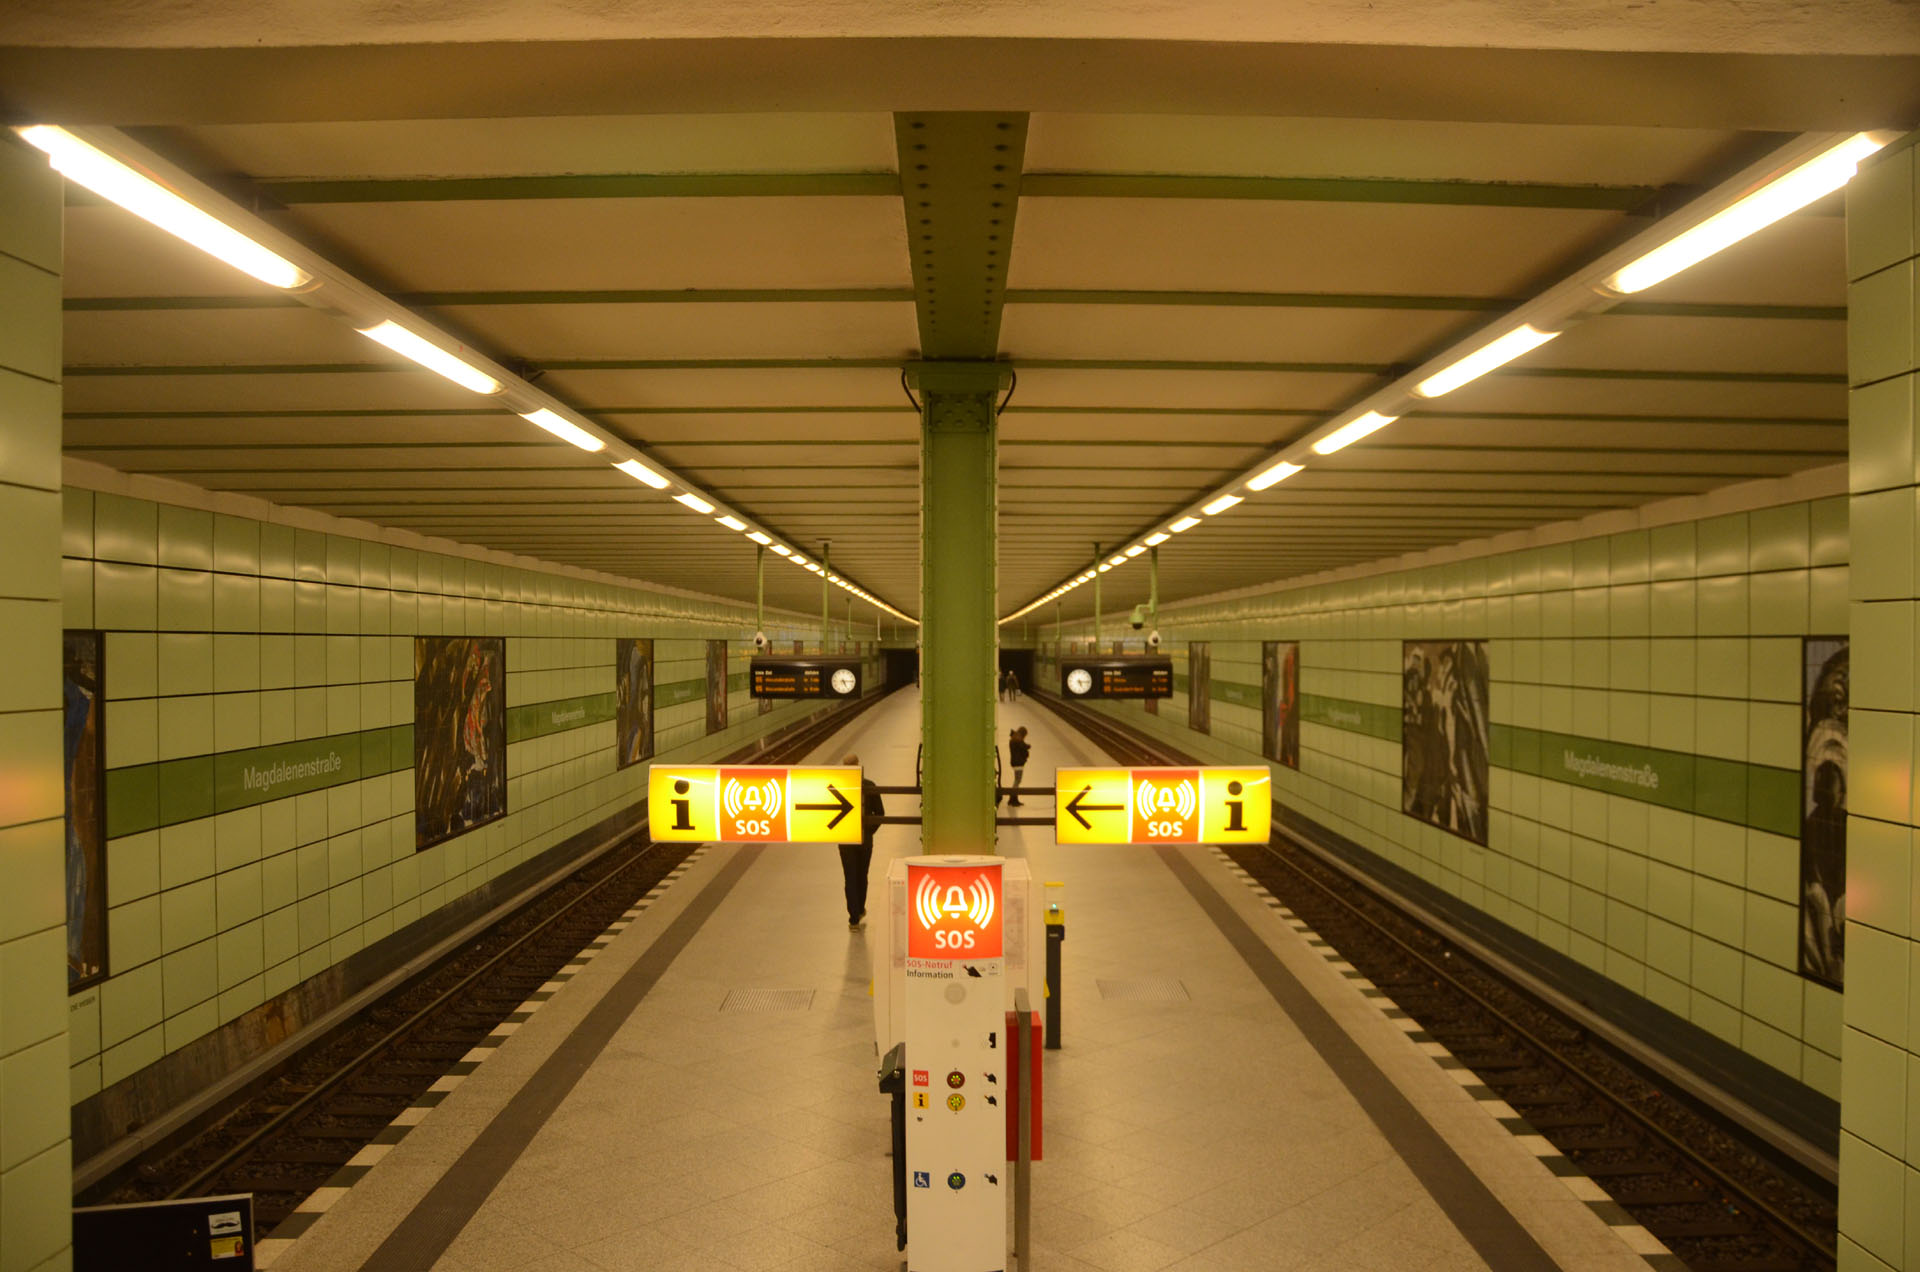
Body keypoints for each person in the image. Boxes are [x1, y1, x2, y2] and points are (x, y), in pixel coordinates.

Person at [841, 752, 885, 930]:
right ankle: (859, 910)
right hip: (865, 840)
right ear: (859, 765)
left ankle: (853, 917)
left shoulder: (838, 786)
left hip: (845, 839)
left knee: (850, 876)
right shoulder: (869, 786)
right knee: (862, 874)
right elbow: (880, 814)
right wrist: (869, 831)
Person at [1006, 727, 1030, 806]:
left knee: (1017, 780)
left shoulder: (1014, 739)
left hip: (1015, 762)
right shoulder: (1018, 741)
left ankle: (1013, 798)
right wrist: (1028, 747)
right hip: (1018, 763)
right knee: (1017, 781)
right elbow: (1024, 747)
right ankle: (1013, 799)